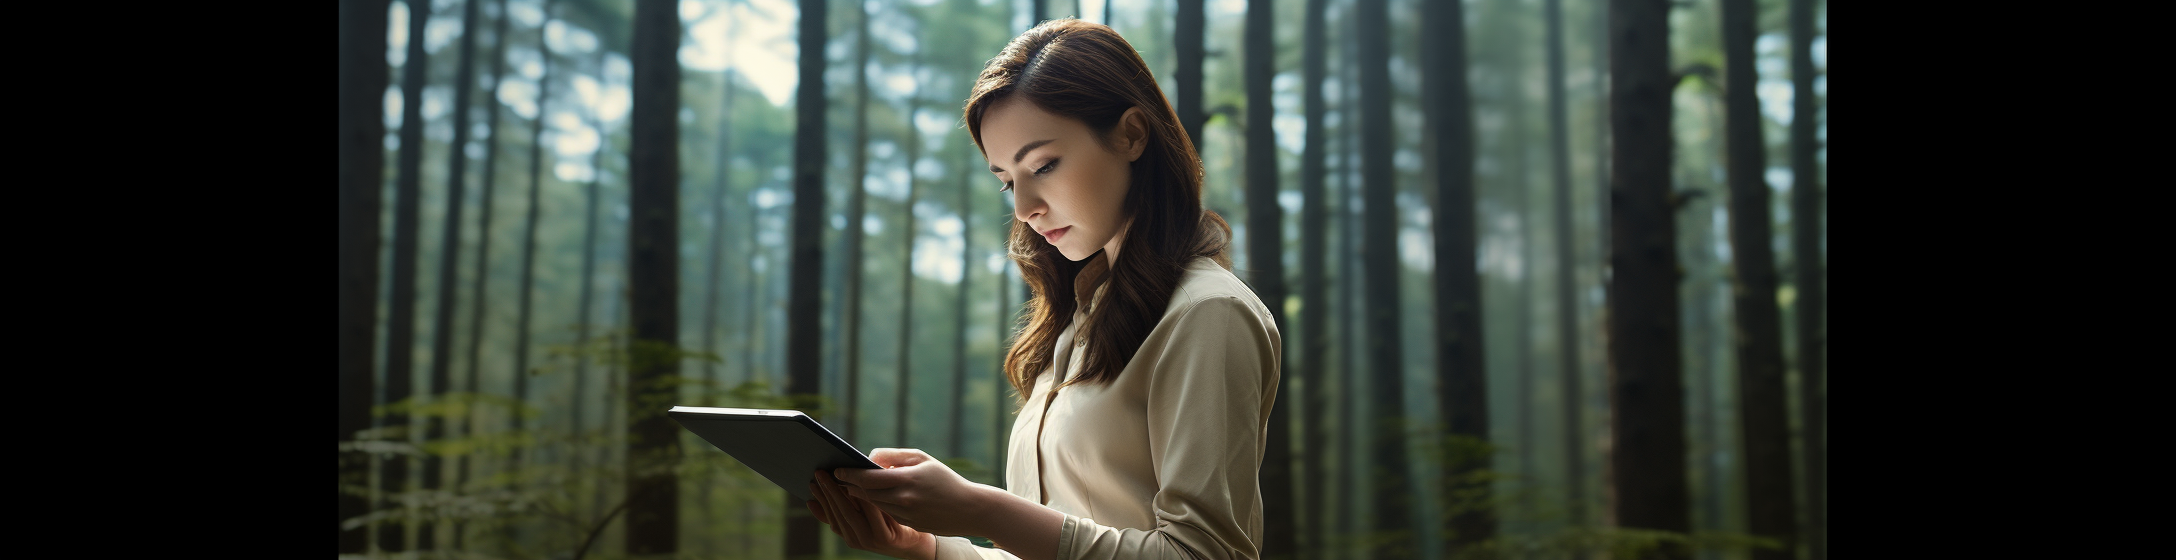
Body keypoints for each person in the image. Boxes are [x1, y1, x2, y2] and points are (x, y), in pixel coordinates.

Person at [804, 18, 1281, 560]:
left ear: (1131, 134)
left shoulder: (1206, 313)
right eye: (1008, 180)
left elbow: (1204, 553)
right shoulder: (1080, 323)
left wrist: (983, 510)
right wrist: (928, 548)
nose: (1024, 207)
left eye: (1044, 165)